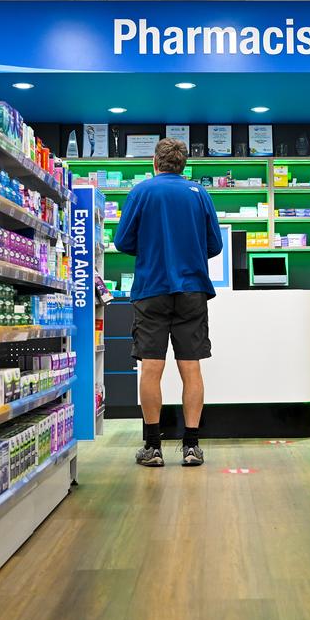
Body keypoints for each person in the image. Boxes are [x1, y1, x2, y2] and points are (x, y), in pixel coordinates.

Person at [113, 138, 223, 467]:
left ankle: (152, 447)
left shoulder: (141, 192)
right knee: (191, 367)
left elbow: (121, 241)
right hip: (192, 290)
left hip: (151, 290)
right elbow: (215, 245)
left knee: (151, 368)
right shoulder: (198, 194)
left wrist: (150, 247)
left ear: (155, 162)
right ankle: (191, 447)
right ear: (184, 164)